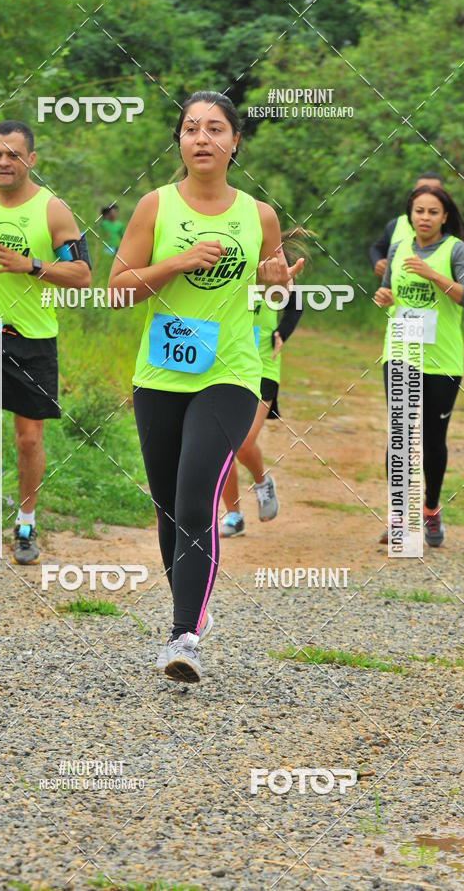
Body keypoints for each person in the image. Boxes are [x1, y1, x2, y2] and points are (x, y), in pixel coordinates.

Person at [108, 90, 304, 683]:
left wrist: (275, 282)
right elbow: (118, 290)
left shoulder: (258, 215)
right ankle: (192, 608)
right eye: (191, 128)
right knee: (169, 506)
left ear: (234, 142)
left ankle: (184, 637)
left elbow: (275, 295)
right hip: (161, 373)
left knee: (196, 498)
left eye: (215, 128)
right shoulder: (155, 205)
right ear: (179, 141)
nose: (202, 138)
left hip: (230, 373)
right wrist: (177, 261)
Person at [0, 119, 91, 564]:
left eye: (13, 155)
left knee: (27, 439)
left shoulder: (53, 210)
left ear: (31, 159)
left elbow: (82, 275)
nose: (3, 162)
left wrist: (32, 265)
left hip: (32, 337)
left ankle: (25, 524)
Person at [374, 185, 464, 547]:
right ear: (410, 214)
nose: (424, 218)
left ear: (445, 217)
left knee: (433, 440)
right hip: (400, 351)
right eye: (418, 211)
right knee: (401, 435)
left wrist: (432, 274)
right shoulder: (398, 248)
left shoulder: (457, 250)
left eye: (433, 212)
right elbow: (390, 294)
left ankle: (431, 509)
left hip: (441, 360)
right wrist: (384, 297)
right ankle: (399, 518)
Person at [220, 230, 307, 537]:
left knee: (243, 443)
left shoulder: (274, 262)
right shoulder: (228, 260)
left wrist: (282, 332)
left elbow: (296, 303)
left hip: (263, 363)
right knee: (223, 445)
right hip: (224, 361)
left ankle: (261, 481)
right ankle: (233, 515)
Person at [370, 173, 444, 279]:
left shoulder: (454, 228)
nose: (428, 195)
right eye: (422, 191)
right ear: (413, 195)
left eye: (435, 192)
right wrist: (377, 262)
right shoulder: (395, 224)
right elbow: (376, 249)